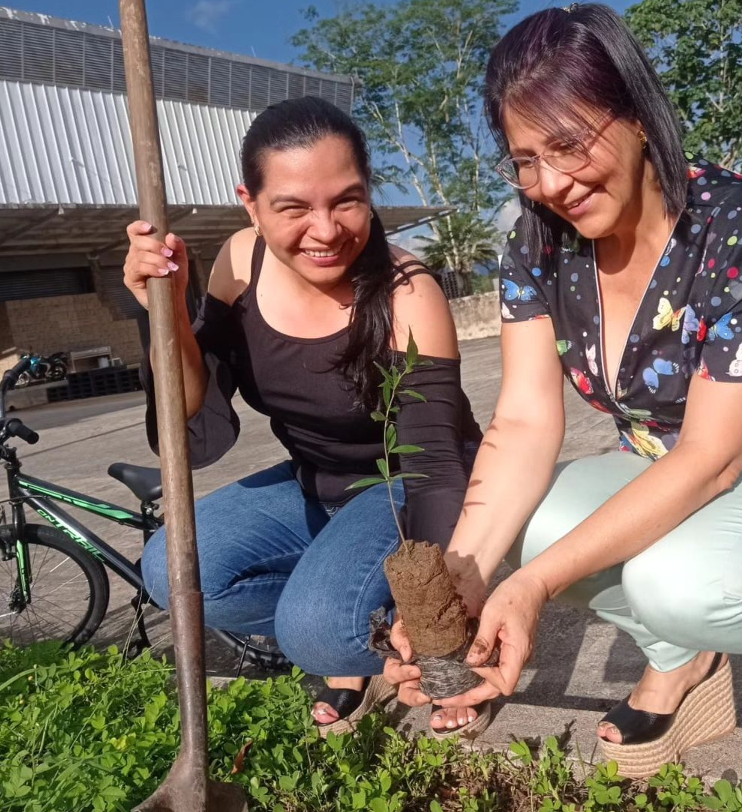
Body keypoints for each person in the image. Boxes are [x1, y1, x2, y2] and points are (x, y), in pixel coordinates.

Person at [385, 4, 742, 802]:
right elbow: (524, 420)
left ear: (634, 114)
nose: (550, 183)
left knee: (681, 583)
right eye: (524, 158)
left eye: (567, 143)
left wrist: (530, 591)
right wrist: (465, 577)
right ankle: (681, 657)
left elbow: (715, 456)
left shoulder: (739, 223)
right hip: (677, 460)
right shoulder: (535, 240)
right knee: (517, 527)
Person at [123, 96, 482, 737]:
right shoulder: (239, 260)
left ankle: (403, 646)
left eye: (347, 200)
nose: (326, 230)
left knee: (315, 632)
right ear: (251, 205)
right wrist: (167, 308)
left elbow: (436, 469)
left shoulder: (407, 292)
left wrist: (435, 621)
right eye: (293, 207)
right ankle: (354, 617)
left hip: (408, 482)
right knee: (170, 568)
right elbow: (190, 409)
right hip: (312, 478)